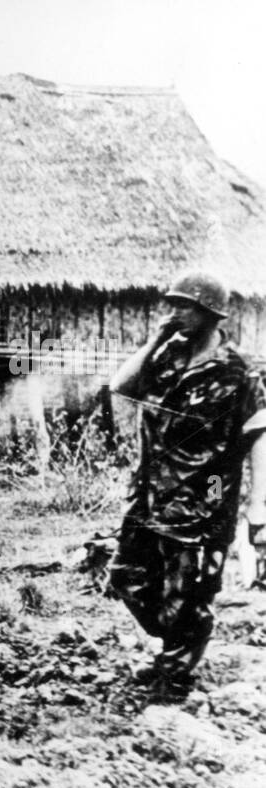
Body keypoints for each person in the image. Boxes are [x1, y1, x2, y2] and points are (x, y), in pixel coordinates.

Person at [108, 270, 266, 701]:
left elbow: (257, 439)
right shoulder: (165, 355)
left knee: (189, 592)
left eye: (184, 305)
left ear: (211, 313)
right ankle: (180, 643)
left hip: (208, 491)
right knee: (126, 576)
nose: (173, 312)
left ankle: (176, 677)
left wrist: (257, 509)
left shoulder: (238, 372)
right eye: (172, 304)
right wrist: (155, 340)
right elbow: (120, 385)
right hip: (151, 491)